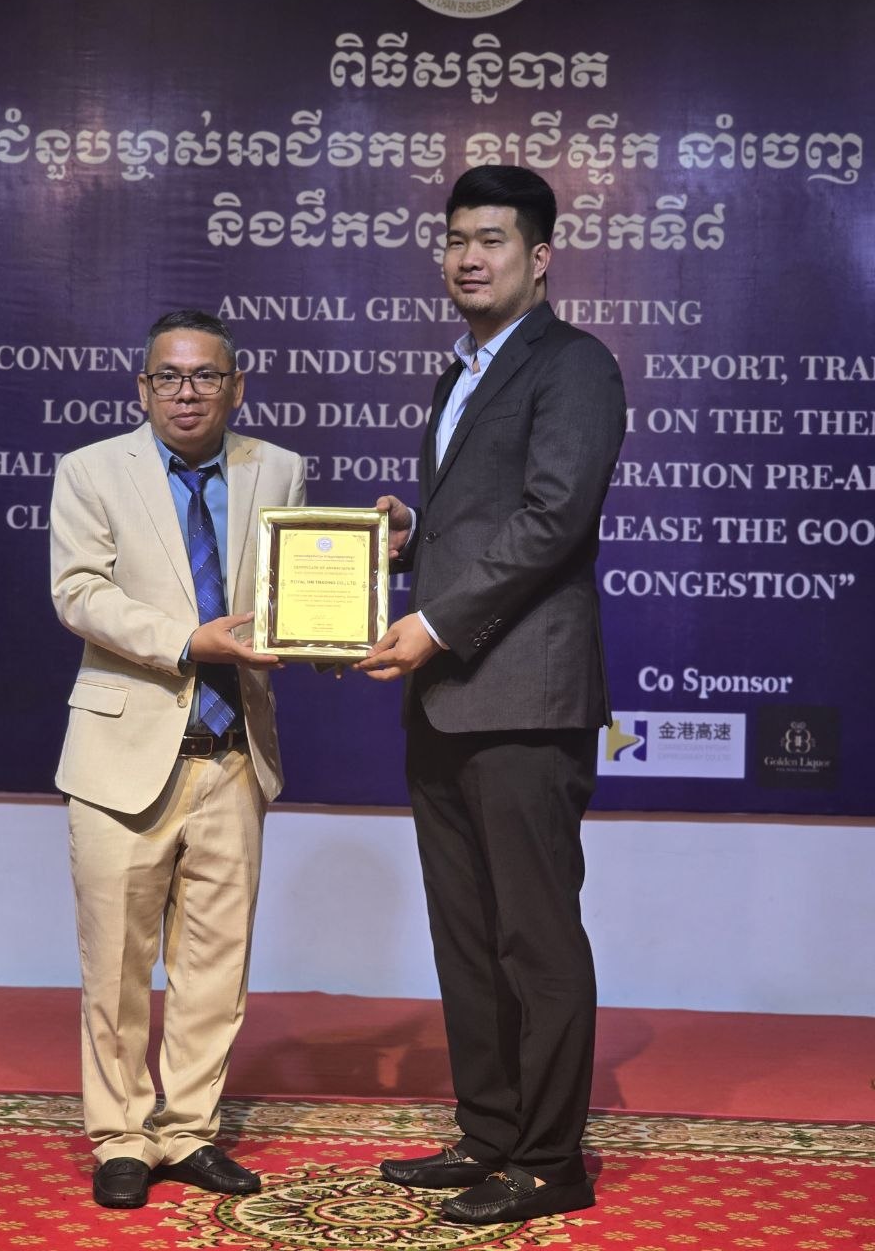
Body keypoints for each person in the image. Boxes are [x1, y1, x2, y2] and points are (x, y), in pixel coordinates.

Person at [355, 167, 626, 1225]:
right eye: (457, 239)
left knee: (534, 938)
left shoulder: (575, 364)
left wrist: (430, 621)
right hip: (447, 698)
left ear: (540, 256)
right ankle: (490, 1132)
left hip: (523, 698)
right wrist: (414, 538)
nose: (469, 258)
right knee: (467, 934)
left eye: (493, 240)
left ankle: (551, 1159)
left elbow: (553, 520)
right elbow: (485, 520)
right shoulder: (458, 373)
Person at [50, 309, 306, 1209]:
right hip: (122, 755)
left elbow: (296, 590)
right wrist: (188, 641)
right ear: (143, 387)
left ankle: (190, 1130)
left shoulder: (279, 469)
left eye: (205, 376)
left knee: (214, 968)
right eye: (169, 376)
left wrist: (359, 580)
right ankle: (122, 1137)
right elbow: (78, 593)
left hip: (235, 754)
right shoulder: (90, 471)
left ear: (237, 387)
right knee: (116, 966)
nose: (186, 392)